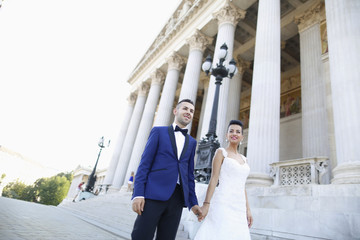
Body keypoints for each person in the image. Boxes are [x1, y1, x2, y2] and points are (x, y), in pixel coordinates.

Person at [131, 99, 202, 240]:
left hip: (177, 199)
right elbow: (144, 164)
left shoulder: (192, 142)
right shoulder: (158, 132)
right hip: (153, 195)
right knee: (141, 236)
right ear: (175, 111)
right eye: (185, 109)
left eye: (191, 111)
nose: (188, 112)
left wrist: (193, 203)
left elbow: (189, 175)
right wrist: (138, 193)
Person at [194, 120, 253, 240]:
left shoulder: (244, 159)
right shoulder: (221, 153)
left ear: (242, 136)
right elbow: (214, 179)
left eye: (238, 131)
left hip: (239, 206)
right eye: (231, 131)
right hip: (223, 202)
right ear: (227, 135)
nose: (234, 133)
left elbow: (242, 186)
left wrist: (248, 209)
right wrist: (206, 204)